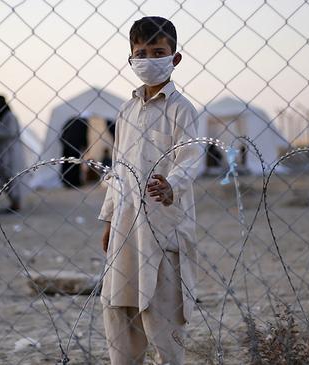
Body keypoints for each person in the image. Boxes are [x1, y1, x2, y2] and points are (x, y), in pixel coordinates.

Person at [98, 16, 202, 364]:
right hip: (126, 227)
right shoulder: (126, 111)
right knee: (120, 304)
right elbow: (118, 170)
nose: (148, 59)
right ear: (131, 59)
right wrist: (109, 219)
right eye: (140, 52)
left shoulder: (181, 110)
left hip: (163, 224)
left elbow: (190, 156)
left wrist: (172, 184)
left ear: (175, 58)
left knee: (162, 306)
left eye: (157, 51)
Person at [0, 95, 26, 212]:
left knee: (12, 177)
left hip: (11, 152)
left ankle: (16, 203)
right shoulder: (3, 117)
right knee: (5, 177)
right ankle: (13, 203)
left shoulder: (10, 117)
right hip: (4, 152)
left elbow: (10, 133)